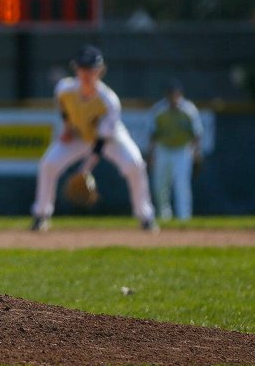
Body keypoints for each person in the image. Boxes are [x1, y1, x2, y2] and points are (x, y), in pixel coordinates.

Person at [30, 45, 158, 232]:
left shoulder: (109, 101)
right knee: (48, 164)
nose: (86, 73)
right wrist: (66, 128)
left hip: (111, 139)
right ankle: (41, 215)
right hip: (79, 135)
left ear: (101, 70)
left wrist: (85, 169)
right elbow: (64, 107)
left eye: (90, 69)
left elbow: (100, 142)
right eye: (82, 68)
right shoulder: (64, 88)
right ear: (76, 69)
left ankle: (146, 216)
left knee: (135, 164)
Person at [146, 79, 203, 221]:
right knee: (159, 186)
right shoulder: (159, 110)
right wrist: (151, 154)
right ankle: (163, 217)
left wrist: (196, 153)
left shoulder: (189, 110)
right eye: (170, 94)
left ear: (180, 94)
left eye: (175, 94)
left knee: (182, 185)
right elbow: (152, 135)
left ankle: (184, 218)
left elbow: (197, 134)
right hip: (163, 150)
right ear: (166, 95)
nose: (173, 96)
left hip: (182, 151)